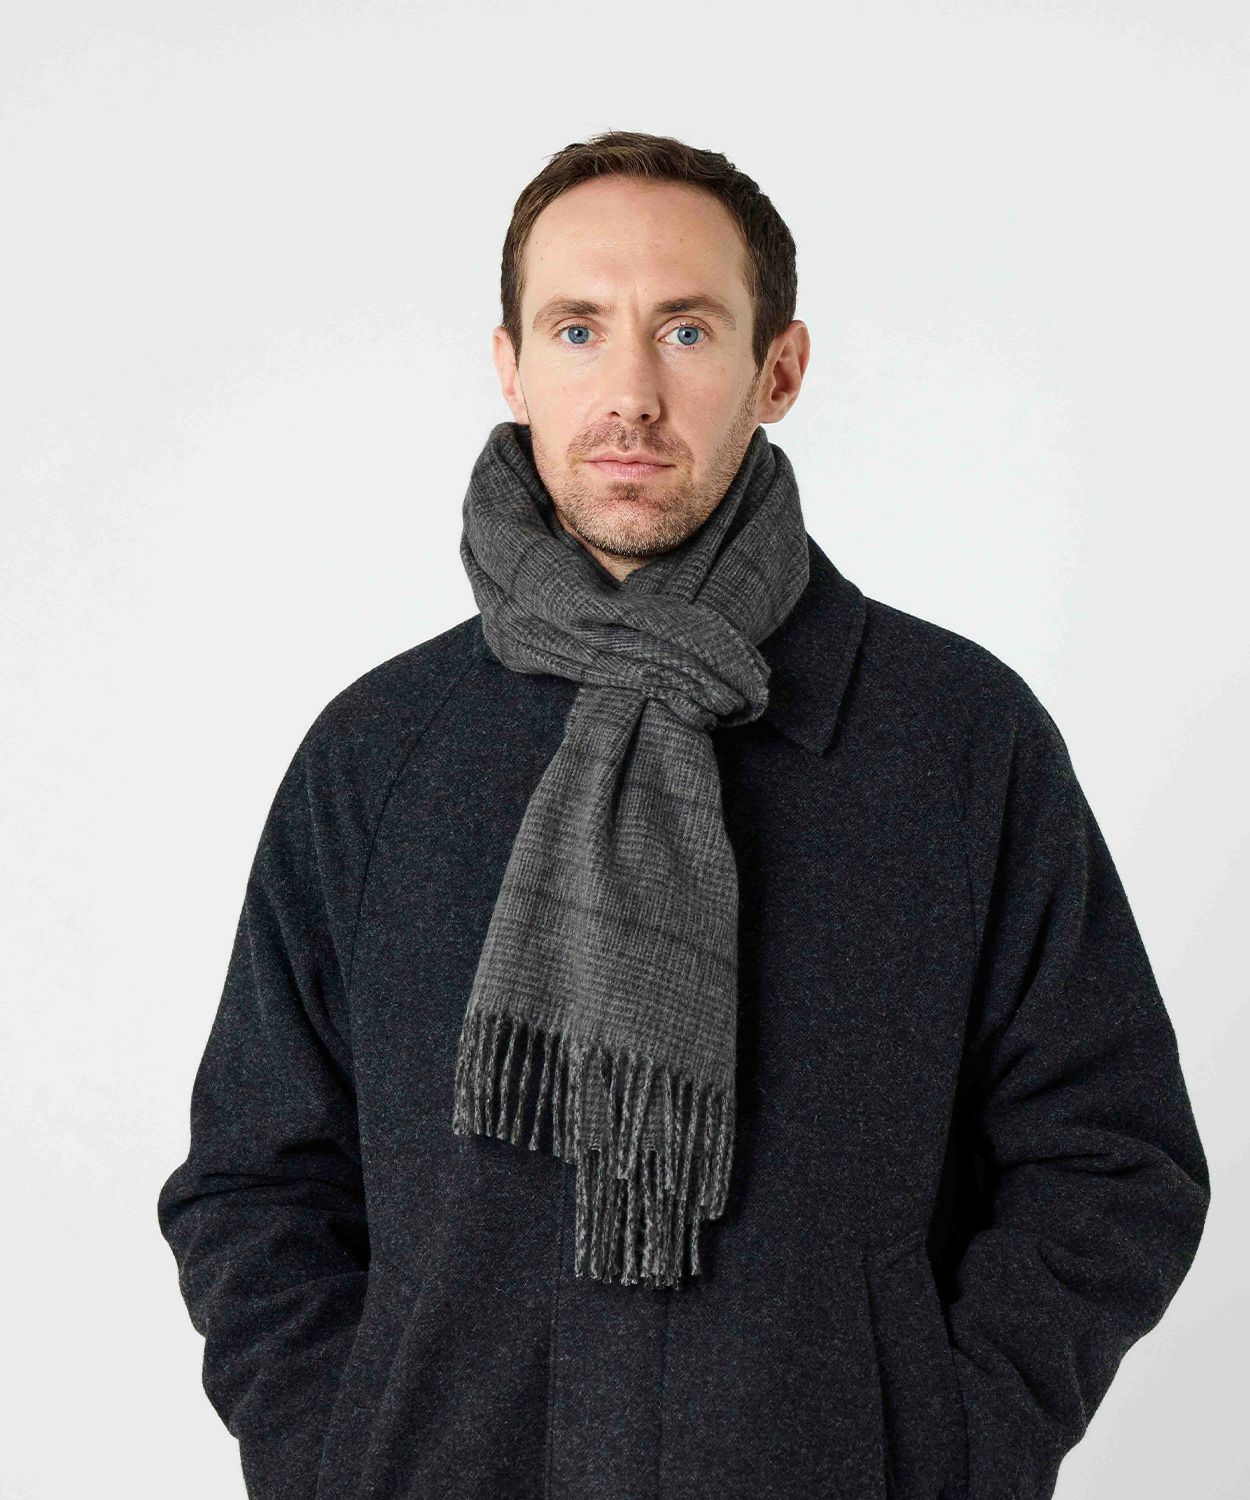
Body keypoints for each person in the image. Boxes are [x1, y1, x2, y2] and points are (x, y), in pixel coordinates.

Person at [156, 129, 1210, 1500]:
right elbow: (254, 1181)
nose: (631, 393)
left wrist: (949, 1450)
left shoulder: (953, 738)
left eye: (688, 331)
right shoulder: (382, 753)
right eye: (579, 328)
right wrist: (339, 1457)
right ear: (511, 365)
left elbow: (1110, 1159)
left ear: (780, 369)